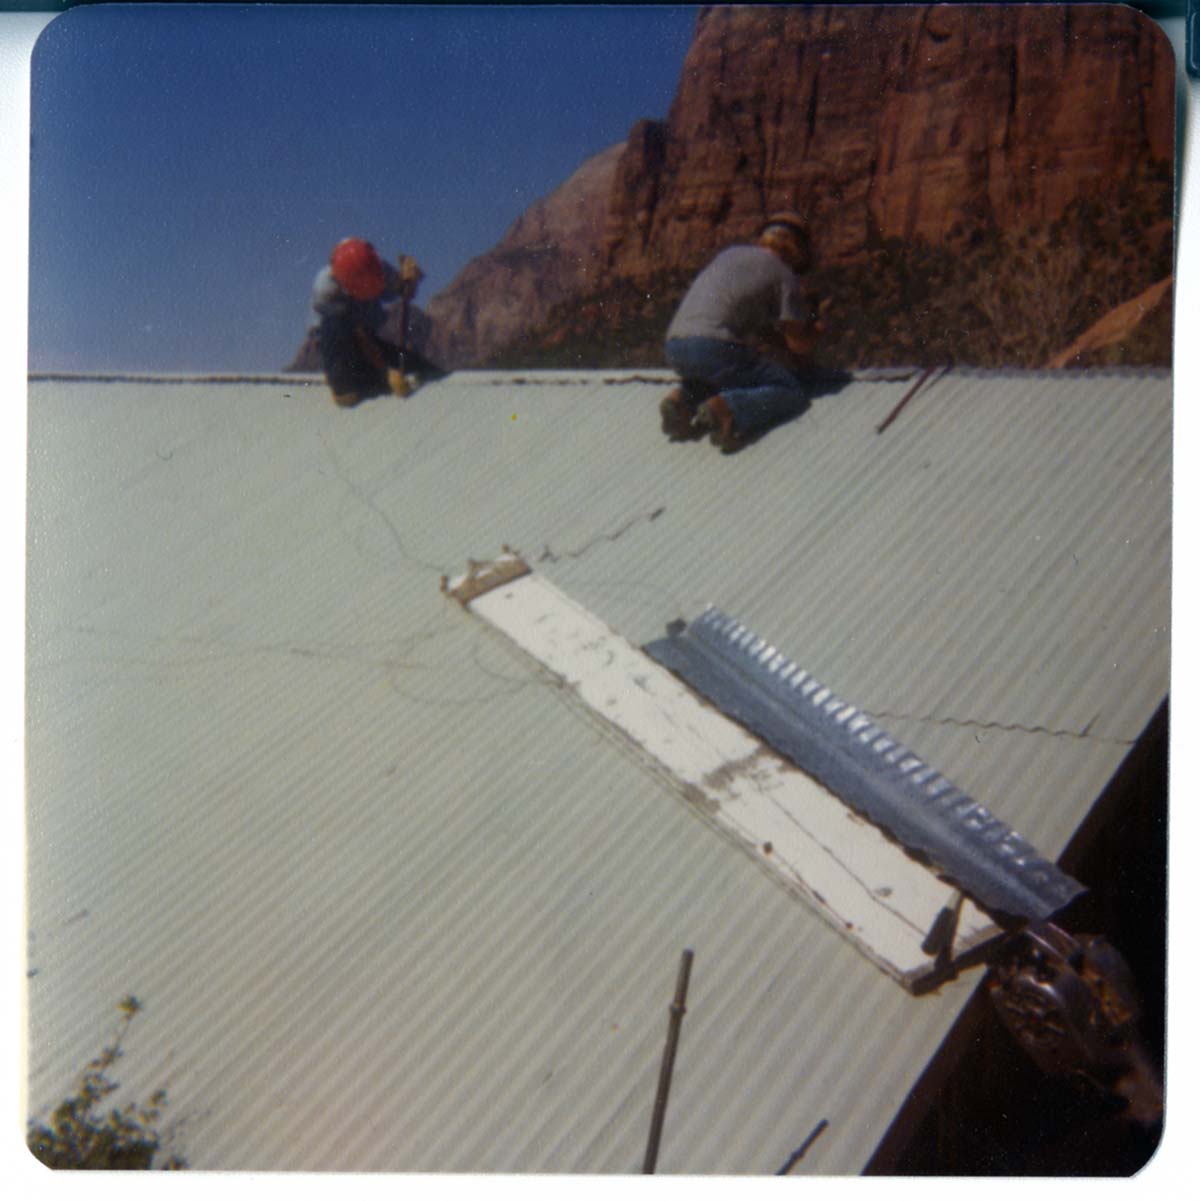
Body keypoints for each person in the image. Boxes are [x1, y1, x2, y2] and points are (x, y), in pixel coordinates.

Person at [660, 212, 830, 452]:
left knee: (726, 375)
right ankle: (728, 410)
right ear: (797, 251)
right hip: (713, 346)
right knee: (791, 391)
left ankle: (682, 401)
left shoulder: (729, 255)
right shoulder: (784, 274)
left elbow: (765, 334)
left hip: (675, 346)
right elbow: (797, 344)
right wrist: (818, 330)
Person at [308, 237, 437, 407]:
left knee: (425, 371)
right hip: (340, 343)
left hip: (368, 338)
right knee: (337, 331)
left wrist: (409, 281)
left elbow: (403, 290)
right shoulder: (327, 288)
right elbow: (359, 335)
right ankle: (344, 389)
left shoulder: (376, 269)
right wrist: (386, 372)